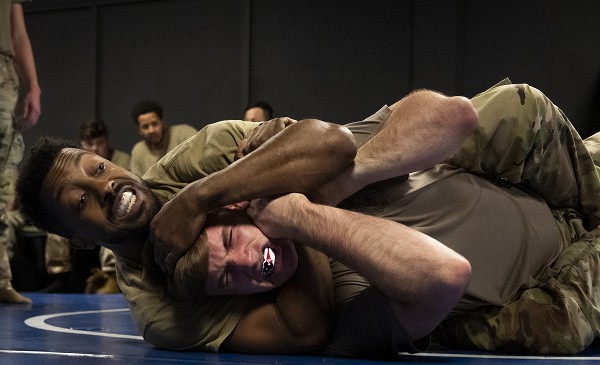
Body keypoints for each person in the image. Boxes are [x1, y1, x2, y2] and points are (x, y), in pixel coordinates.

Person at [15, 80, 600, 357]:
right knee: (551, 333)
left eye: (95, 169)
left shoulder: (199, 160)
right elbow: (308, 331)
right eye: (82, 204)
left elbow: (334, 147)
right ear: (75, 239)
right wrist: (294, 216)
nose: (106, 187)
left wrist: (203, 198)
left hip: (523, 182)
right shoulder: (162, 311)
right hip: (482, 277)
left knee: (512, 114)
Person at [44, 119, 129, 293]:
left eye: (100, 143)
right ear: (82, 144)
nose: (96, 149)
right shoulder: (75, 162)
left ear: (107, 142)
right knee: (59, 223)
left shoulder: (122, 159)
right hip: (85, 209)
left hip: (110, 207)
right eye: (90, 144)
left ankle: (111, 276)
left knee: (108, 224)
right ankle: (61, 275)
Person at [0, 0, 41, 304]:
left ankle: (0, 279)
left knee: (3, 183)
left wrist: (33, 86)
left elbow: (18, 33)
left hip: (4, 73)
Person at [129, 100, 197, 176]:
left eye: (155, 124)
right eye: (145, 127)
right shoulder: (138, 151)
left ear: (163, 123)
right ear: (140, 130)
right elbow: (137, 183)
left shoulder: (184, 133)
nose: (151, 130)